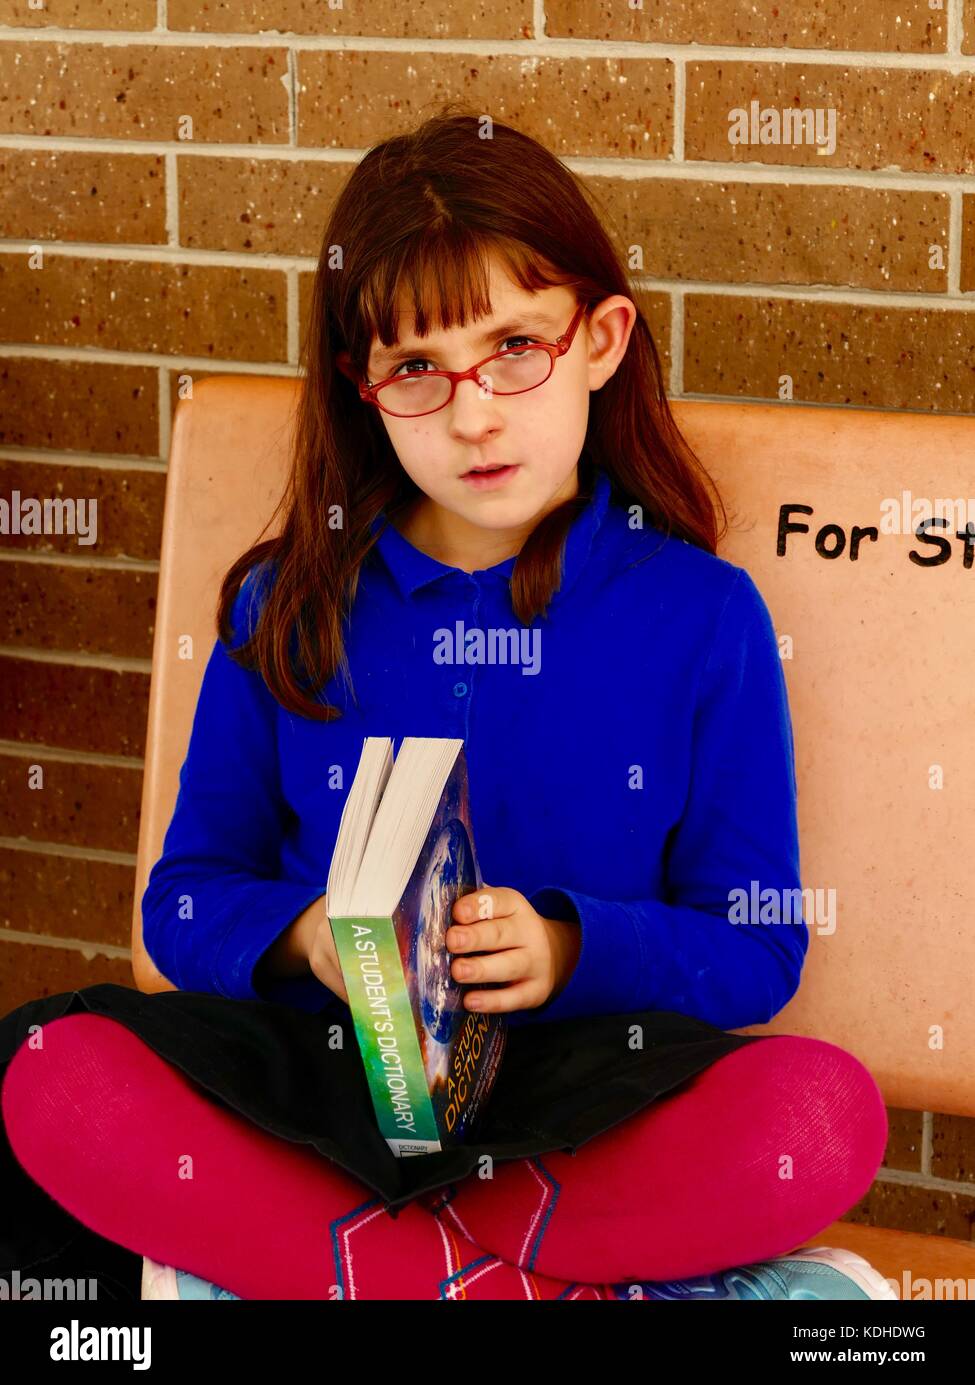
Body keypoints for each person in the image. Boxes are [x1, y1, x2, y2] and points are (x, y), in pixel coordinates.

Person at [0, 108, 891, 1303]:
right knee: (51, 1069)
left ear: (602, 337)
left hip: (583, 1090)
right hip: (334, 1084)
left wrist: (569, 945)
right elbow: (185, 899)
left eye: (516, 345)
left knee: (825, 1118)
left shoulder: (700, 613)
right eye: (418, 367)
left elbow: (756, 944)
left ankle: (364, 1268)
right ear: (362, 389)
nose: (475, 413)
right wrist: (314, 938)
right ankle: (521, 1276)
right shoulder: (290, 603)